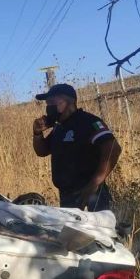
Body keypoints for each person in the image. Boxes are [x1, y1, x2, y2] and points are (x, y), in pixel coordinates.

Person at [32, 83, 122, 211]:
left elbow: (113, 148)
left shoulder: (88, 122)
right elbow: (42, 151)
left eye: (52, 102)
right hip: (67, 195)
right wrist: (37, 133)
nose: (48, 107)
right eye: (47, 103)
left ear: (69, 102)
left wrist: (95, 182)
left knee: (96, 224)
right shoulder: (59, 127)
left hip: (91, 194)